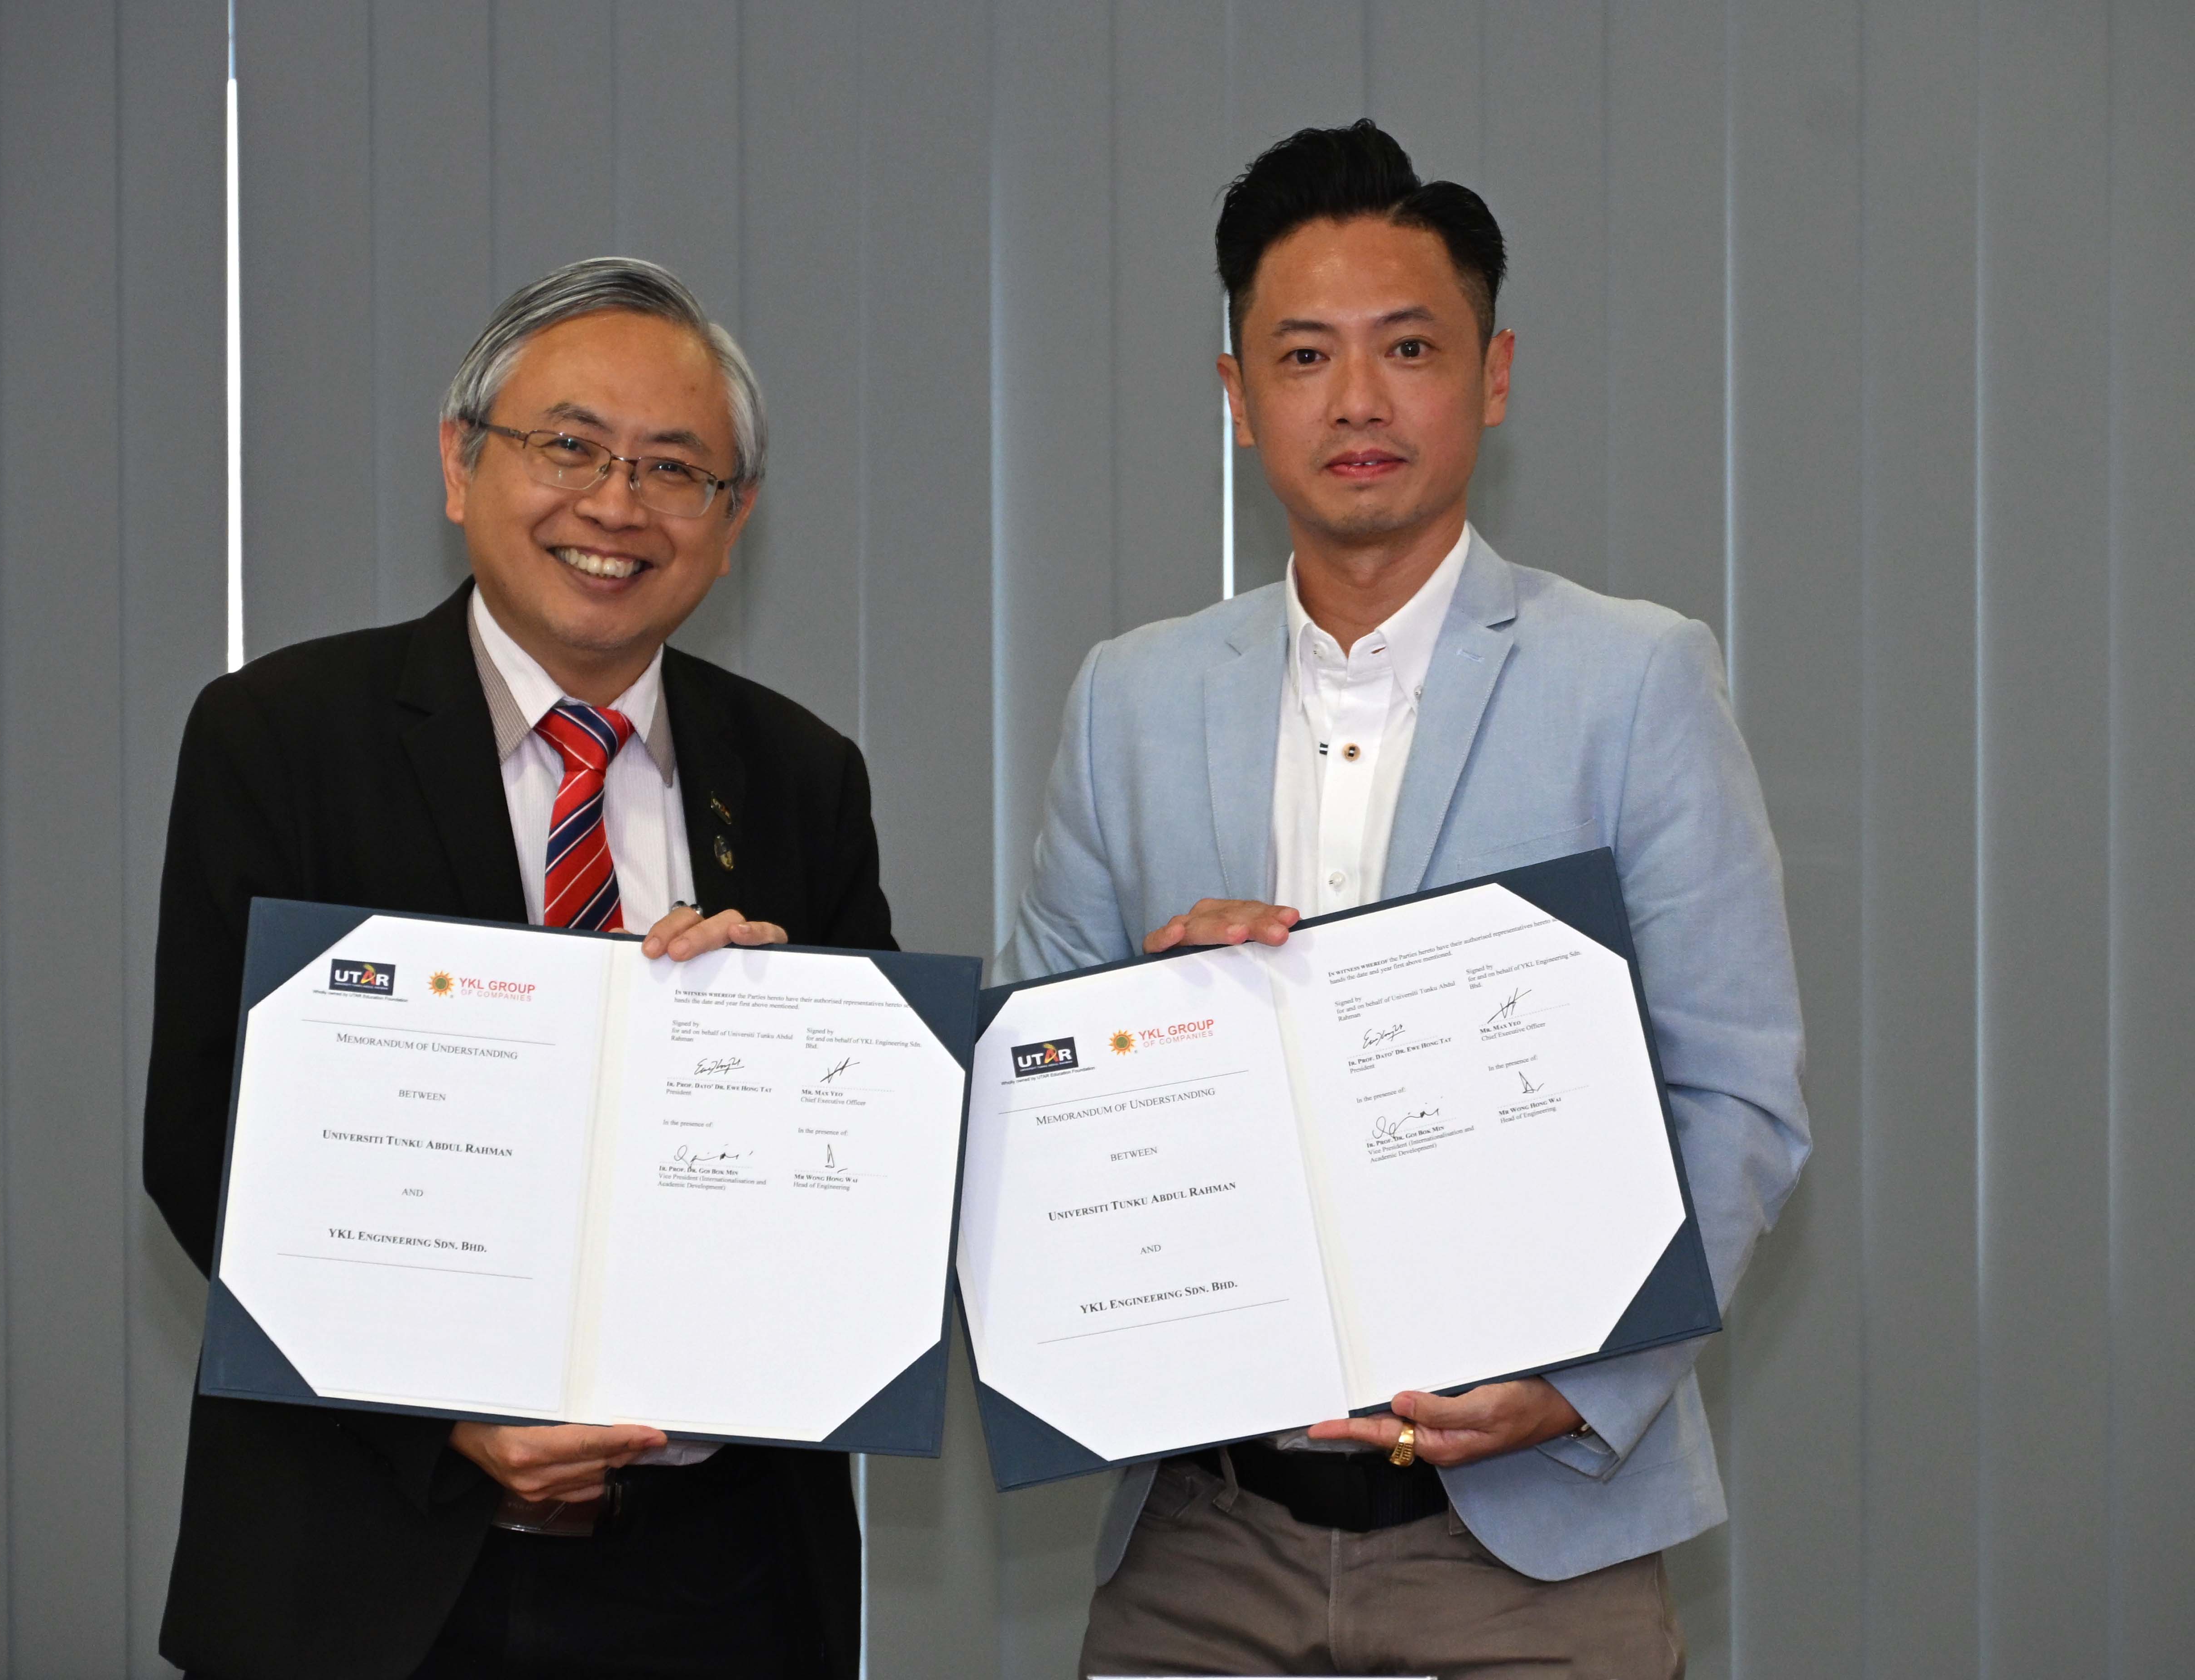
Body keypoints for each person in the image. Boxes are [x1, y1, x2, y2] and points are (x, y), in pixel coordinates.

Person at [996, 123, 1811, 1678]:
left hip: (1540, 1545)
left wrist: (1581, 1383)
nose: (1358, 401)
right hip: (1203, 1546)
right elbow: (1029, 1090)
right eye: (1303, 355)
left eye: (1409, 349)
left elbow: (1739, 1093)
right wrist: (1141, 1019)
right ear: (1238, 399)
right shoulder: (1131, 699)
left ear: (1493, 377)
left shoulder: (1634, 678)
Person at [143, 258, 888, 1680]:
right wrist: (447, 1421)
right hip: (364, 1561)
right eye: (568, 446)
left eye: (677, 468)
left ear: (732, 525)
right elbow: (204, 1144)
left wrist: (792, 1049)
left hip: (721, 1578)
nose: (615, 505)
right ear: (459, 463)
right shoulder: (282, 735)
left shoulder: (802, 779)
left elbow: (871, 1188)